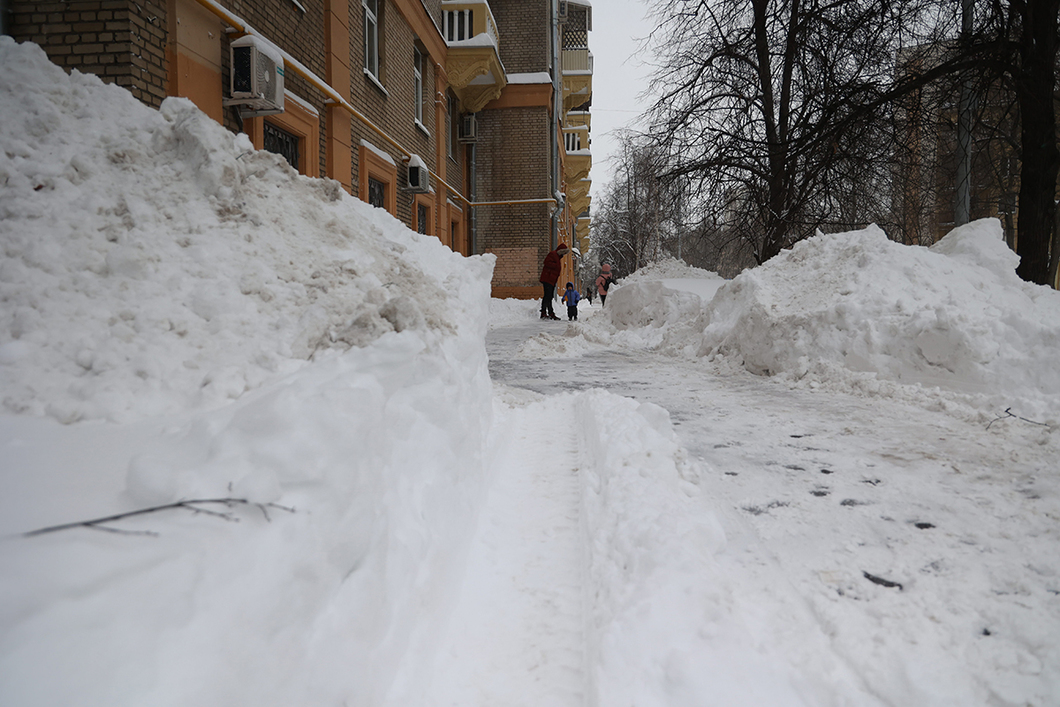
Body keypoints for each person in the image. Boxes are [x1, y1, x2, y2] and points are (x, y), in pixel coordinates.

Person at [538, 242, 569, 320]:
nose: (564, 254)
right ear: (561, 251)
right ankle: (544, 313)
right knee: (547, 296)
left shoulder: (557, 257)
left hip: (551, 280)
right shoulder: (553, 254)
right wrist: (556, 266)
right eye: (564, 252)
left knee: (549, 296)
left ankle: (550, 313)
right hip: (548, 279)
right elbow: (546, 262)